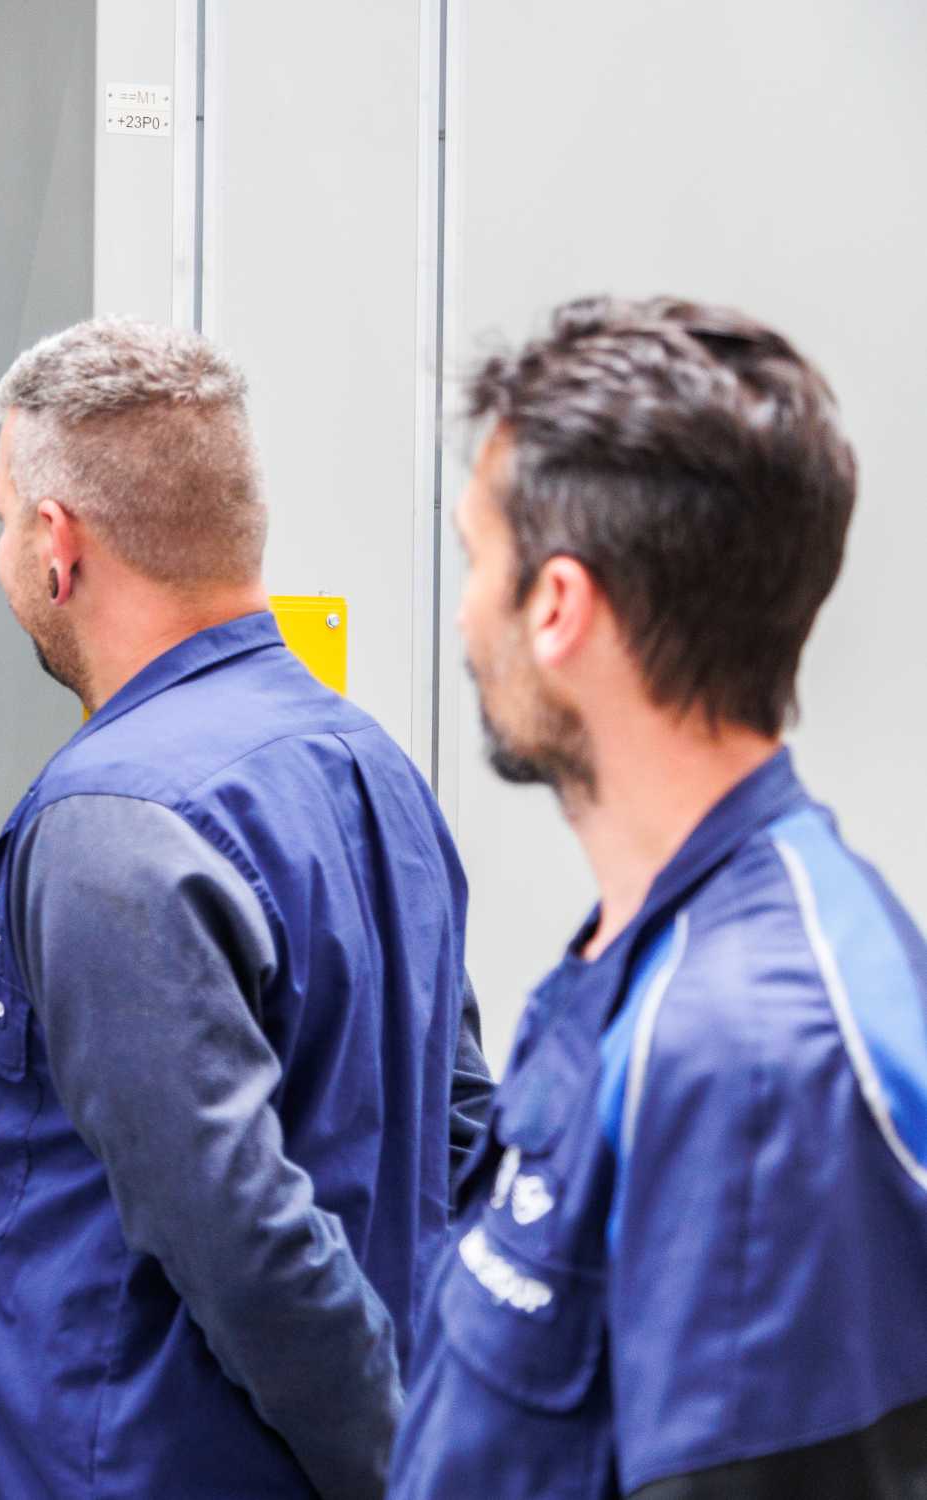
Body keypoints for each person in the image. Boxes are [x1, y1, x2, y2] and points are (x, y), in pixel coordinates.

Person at [0, 317, 490, 1498]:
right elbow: (465, 1132)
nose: (4, 551)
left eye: (2, 517)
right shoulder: (365, 761)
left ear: (57, 543)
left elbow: (244, 1242)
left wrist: (408, 1471)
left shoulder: (110, 822)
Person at [389, 297, 927, 1497]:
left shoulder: (754, 1060)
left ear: (559, 606)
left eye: (478, 560)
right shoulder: (648, 947)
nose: (467, 613)